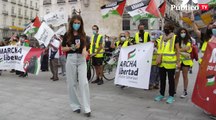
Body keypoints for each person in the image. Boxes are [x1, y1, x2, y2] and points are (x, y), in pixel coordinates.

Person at [61, 15, 91, 117]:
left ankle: (87, 108)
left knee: (84, 83)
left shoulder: (83, 34)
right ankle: (75, 106)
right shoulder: (67, 35)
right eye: (75, 23)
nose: (76, 25)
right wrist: (72, 47)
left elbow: (86, 45)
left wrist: (84, 50)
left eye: (78, 23)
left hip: (81, 59)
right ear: (71, 23)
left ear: (81, 24)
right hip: (71, 58)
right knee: (71, 83)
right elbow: (63, 49)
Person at [154, 23, 180, 104]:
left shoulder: (175, 37)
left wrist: (178, 61)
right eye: (165, 27)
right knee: (162, 79)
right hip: (161, 62)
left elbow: (178, 50)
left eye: (167, 27)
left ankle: (171, 96)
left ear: (171, 29)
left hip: (170, 63)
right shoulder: (161, 37)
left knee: (171, 80)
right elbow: (157, 45)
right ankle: (161, 94)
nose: (165, 29)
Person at [174, 28, 193, 98]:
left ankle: (185, 91)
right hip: (178, 60)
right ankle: (174, 90)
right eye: (181, 32)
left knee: (185, 76)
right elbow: (176, 49)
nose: (183, 33)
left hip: (186, 61)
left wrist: (178, 50)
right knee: (176, 76)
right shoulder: (177, 40)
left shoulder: (188, 40)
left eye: (184, 32)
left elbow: (187, 48)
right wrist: (181, 51)